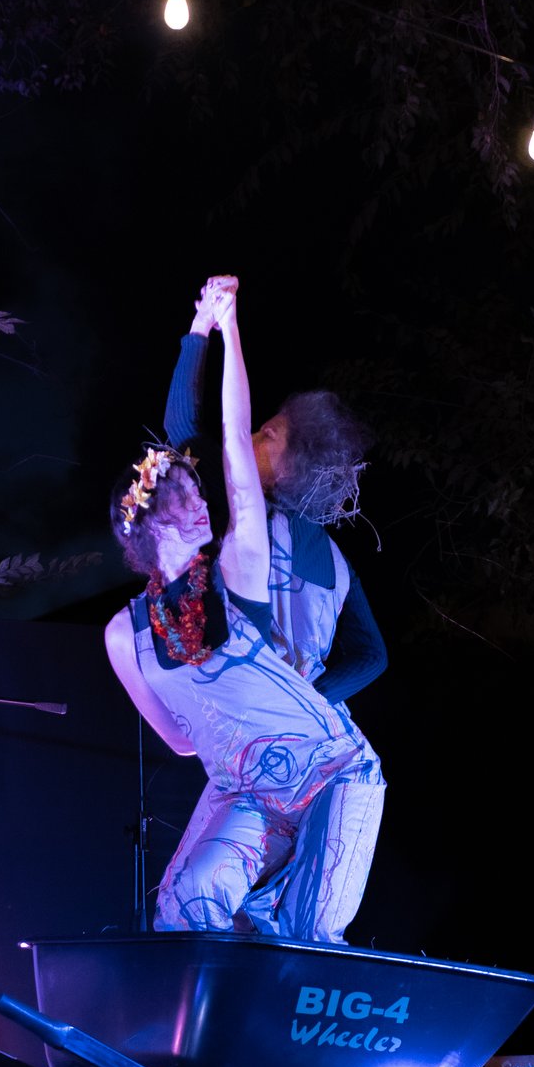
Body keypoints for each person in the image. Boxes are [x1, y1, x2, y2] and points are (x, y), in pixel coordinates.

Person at [103, 281, 385, 942]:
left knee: (306, 925)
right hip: (254, 768)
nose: (203, 500)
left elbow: (208, 430)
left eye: (269, 436)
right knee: (185, 901)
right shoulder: (130, 630)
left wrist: (213, 330)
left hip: (323, 761)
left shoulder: (244, 544)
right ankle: (225, 968)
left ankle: (281, 933)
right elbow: (181, 736)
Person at [160, 279, 385, 702]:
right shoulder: (339, 566)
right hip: (305, 728)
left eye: (270, 432)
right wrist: (308, 697)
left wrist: (200, 326)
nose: (255, 432)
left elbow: (182, 426)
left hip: (238, 704)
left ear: (287, 476)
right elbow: (372, 657)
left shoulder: (241, 507)